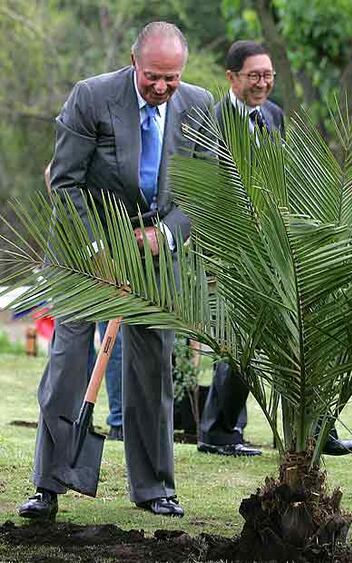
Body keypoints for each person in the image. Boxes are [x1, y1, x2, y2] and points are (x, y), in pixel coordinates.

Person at [18, 21, 214, 520]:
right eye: (153, 76)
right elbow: (65, 182)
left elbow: (204, 189)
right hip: (86, 251)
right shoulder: (91, 97)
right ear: (134, 63)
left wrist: (164, 234)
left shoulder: (198, 105)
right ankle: (49, 485)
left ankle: (154, 489)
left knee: (153, 369)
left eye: (172, 78)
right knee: (68, 361)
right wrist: (103, 248)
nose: (163, 87)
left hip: (155, 252)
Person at [197, 40, 352, 458]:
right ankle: (218, 434)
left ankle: (317, 434)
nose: (263, 83)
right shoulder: (210, 121)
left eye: (268, 75)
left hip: (278, 245)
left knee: (304, 335)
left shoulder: (273, 116)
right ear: (232, 77)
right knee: (242, 342)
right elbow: (201, 191)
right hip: (233, 248)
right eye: (254, 75)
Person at [45, 162, 124, 441]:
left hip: (110, 254)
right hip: (76, 257)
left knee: (114, 342)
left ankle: (119, 420)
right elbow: (52, 175)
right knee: (74, 350)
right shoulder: (80, 133)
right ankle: (71, 421)